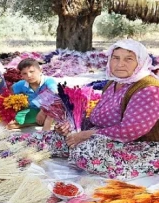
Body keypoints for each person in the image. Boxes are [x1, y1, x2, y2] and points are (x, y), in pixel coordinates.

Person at [10, 39, 159, 180]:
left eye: (128, 59)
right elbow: (97, 118)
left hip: (140, 145)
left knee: (85, 152)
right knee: (53, 138)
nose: (120, 64)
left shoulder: (147, 88)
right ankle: (9, 146)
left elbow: (131, 130)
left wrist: (86, 135)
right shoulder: (114, 83)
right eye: (115, 58)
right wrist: (73, 126)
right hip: (103, 137)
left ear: (140, 62)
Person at [8, 58, 57, 131]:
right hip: (33, 110)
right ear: (21, 75)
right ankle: (36, 122)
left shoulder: (49, 81)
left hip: (49, 110)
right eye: (24, 73)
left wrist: (43, 111)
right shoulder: (21, 84)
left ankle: (46, 127)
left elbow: (54, 93)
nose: (29, 75)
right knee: (11, 122)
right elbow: (11, 90)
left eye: (32, 71)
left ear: (40, 71)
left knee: (54, 106)